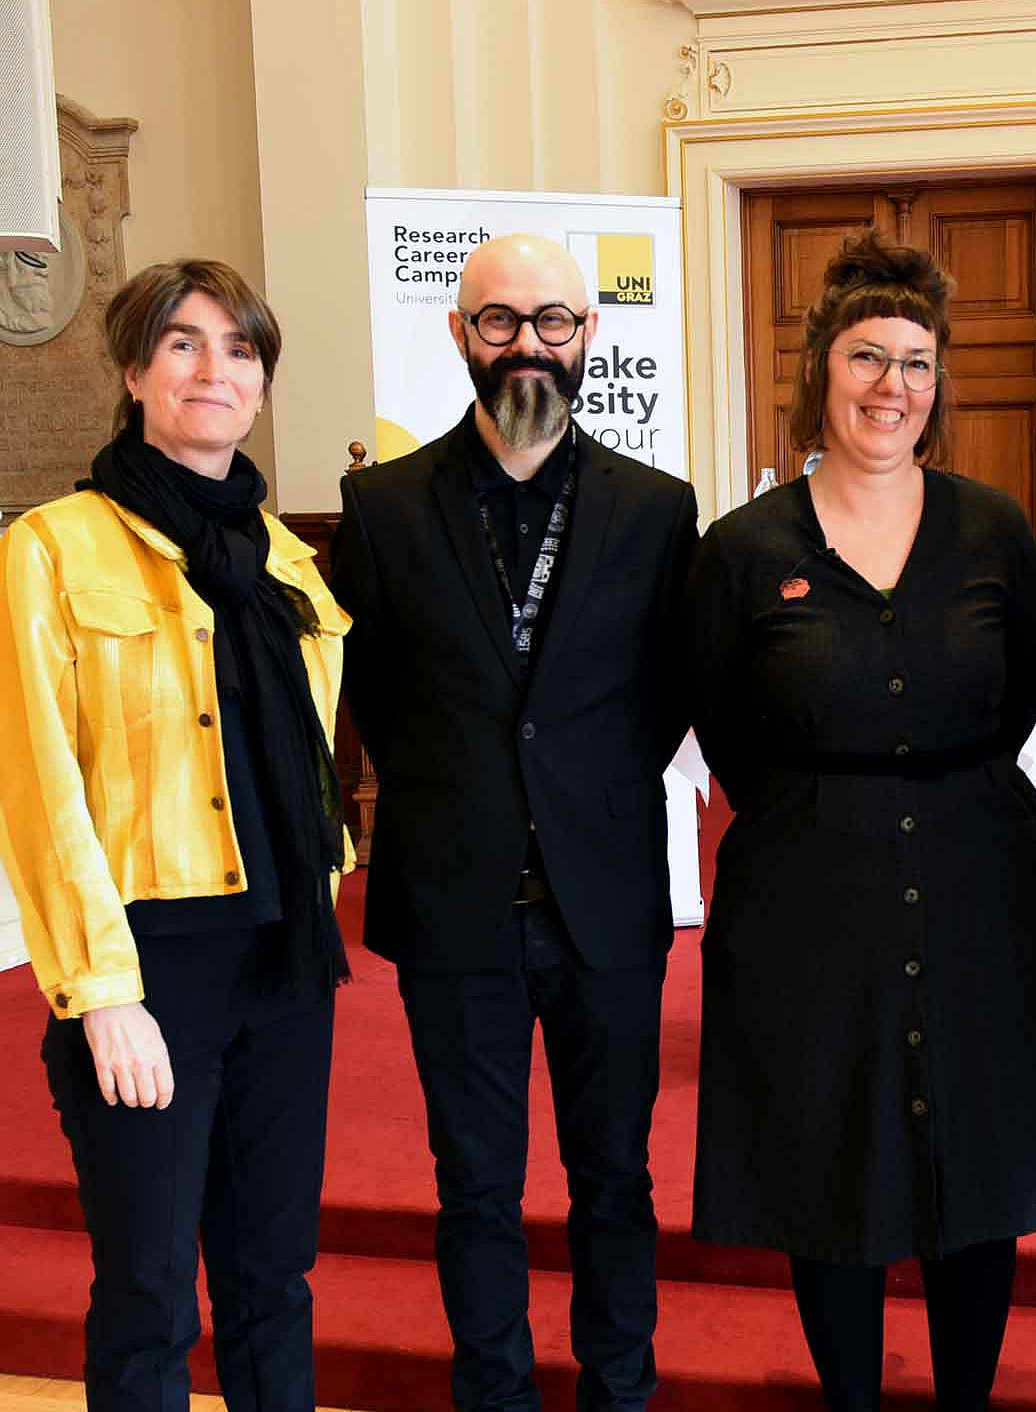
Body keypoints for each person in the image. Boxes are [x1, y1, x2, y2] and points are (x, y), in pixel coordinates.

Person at [686, 231, 1036, 1411]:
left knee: (979, 1155)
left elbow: (1019, 702)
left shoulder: (994, 530)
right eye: (867, 357)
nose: (892, 386)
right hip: (806, 890)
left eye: (917, 363)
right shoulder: (744, 549)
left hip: (984, 882)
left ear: (939, 383)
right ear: (821, 370)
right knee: (832, 1156)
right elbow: (724, 725)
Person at [329, 233, 698, 1412]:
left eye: (553, 320)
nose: (527, 343)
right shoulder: (382, 507)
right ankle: (494, 1394)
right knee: (476, 1187)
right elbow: (376, 698)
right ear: (460, 334)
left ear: (590, 336)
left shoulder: (657, 509)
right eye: (500, 321)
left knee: (616, 1179)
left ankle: (619, 1391)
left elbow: (666, 693)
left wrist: (577, 791)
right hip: (455, 902)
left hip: (606, 902)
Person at [0, 258, 354, 1410]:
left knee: (273, 1280)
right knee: (150, 1294)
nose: (215, 369)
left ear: (262, 381)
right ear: (134, 371)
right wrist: (102, 991)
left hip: (285, 960)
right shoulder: (52, 547)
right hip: (151, 966)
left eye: (241, 348)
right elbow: (38, 782)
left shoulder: (286, 559)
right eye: (184, 343)